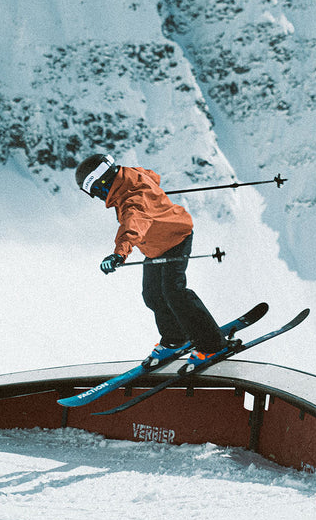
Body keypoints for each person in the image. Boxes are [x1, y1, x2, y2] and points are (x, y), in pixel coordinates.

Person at [75, 153, 227, 366]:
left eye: (95, 192)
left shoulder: (133, 200)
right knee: (153, 295)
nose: (97, 197)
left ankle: (214, 345)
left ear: (102, 184)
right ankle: (175, 339)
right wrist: (154, 195)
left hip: (175, 239)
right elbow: (151, 176)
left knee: (175, 293)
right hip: (155, 247)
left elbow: (132, 226)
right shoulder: (129, 179)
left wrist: (119, 254)